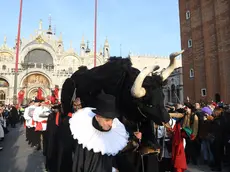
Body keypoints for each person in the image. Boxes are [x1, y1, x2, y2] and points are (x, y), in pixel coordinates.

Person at [69, 93, 129, 172]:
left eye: (112, 120)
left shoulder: (115, 135)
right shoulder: (85, 138)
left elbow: (115, 161)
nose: (111, 124)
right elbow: (80, 166)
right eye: (107, 120)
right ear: (97, 117)